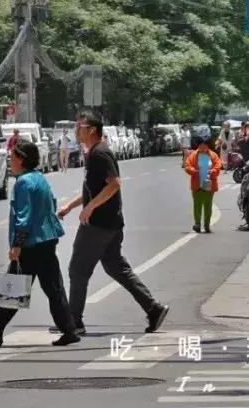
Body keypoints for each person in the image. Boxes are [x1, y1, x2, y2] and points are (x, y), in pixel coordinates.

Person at [57, 113, 169, 334]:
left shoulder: (100, 153)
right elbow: (93, 191)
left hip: (99, 225)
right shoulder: (93, 153)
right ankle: (153, 308)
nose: (76, 130)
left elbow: (114, 185)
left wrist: (90, 208)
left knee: (78, 270)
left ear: (91, 130)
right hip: (109, 223)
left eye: (80, 127)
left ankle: (74, 321)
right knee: (116, 267)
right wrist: (71, 206)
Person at [0, 139, 82, 347]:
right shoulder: (40, 178)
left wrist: (17, 245)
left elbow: (24, 217)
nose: (10, 162)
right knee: (53, 288)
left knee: (14, 288)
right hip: (48, 239)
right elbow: (51, 204)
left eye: (12, 158)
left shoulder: (23, 183)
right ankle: (69, 330)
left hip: (31, 243)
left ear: (21, 159)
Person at [184, 133, 222, 233]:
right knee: (197, 205)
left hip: (209, 183)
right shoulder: (193, 155)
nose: (202, 147)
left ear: (207, 145)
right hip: (197, 184)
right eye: (200, 145)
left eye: (204, 145)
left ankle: (206, 225)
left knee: (208, 205)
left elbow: (218, 166)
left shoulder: (213, 155)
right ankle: (197, 224)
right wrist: (195, 172)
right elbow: (187, 166)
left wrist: (212, 171)